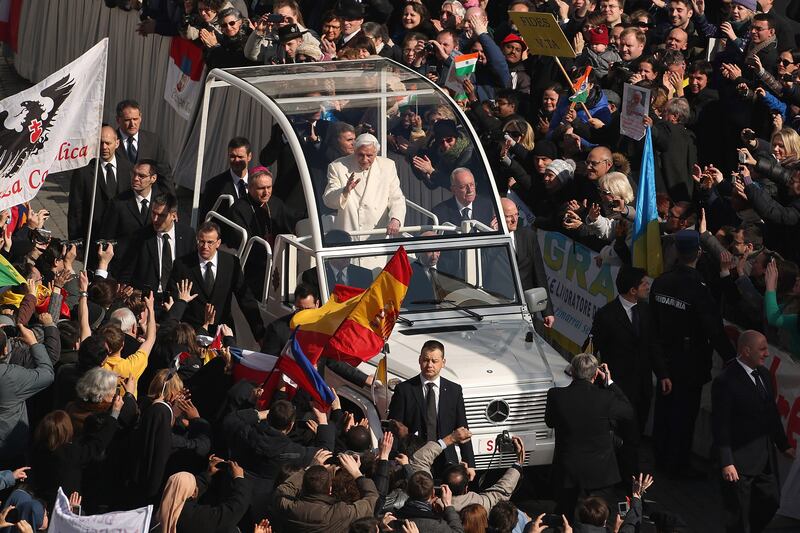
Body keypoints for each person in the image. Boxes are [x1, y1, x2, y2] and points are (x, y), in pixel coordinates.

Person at [649, 230, 736, 478]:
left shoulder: (661, 282)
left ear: (677, 252)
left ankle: (660, 457)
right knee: (684, 415)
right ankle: (677, 465)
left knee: (664, 410)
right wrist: (731, 358)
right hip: (690, 363)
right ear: (698, 253)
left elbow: (653, 326)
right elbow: (713, 328)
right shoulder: (698, 288)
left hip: (665, 358)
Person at [712, 330, 795, 533]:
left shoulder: (764, 375)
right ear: (746, 351)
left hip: (764, 460)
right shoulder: (726, 381)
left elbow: (771, 413)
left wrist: (783, 445)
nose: (767, 353)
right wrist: (727, 462)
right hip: (739, 463)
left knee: (770, 503)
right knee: (738, 517)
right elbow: (721, 424)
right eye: (762, 349)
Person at [588, 266, 666, 481]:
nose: (648, 286)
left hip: (642, 385)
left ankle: (628, 472)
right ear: (633, 290)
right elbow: (592, 347)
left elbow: (653, 345)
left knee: (636, 431)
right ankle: (624, 476)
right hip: (619, 386)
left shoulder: (646, 311)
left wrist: (663, 374)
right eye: (644, 283)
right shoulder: (607, 315)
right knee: (623, 433)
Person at [545, 352, 634, 517]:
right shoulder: (606, 397)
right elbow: (628, 412)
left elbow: (550, 422)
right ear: (595, 375)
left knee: (564, 517)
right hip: (600, 472)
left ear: (572, 372)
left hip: (568, 471)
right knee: (598, 517)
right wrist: (609, 382)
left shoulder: (556, 395)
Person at [223, 399, 335, 521]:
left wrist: (260, 414)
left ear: (268, 417)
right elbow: (325, 452)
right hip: (259, 503)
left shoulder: (246, 433)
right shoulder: (291, 452)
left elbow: (230, 419)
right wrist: (323, 420)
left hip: (229, 485)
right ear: (290, 425)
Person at [168, 222, 265, 341]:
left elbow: (245, 299)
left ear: (218, 243)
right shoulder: (182, 265)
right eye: (201, 241)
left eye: (210, 242)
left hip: (222, 332)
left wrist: (260, 334)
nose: (205, 246)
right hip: (192, 332)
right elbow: (173, 297)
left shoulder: (231, 263)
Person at [388, 340, 475, 469]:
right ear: (419, 360)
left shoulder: (454, 390)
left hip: (446, 459)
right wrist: (392, 460)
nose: (429, 365)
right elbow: (394, 427)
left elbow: (462, 428)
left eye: (434, 361)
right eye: (426, 360)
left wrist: (470, 463)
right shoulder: (404, 390)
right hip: (414, 458)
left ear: (443, 363)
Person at [228, 166, 303, 297]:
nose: (266, 192)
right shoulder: (238, 209)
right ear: (250, 188)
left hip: (278, 258)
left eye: (269, 187)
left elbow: (291, 220)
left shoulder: (275, 203)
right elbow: (242, 243)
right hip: (254, 265)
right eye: (261, 188)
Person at [411, 429, 523, 513]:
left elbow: (419, 460)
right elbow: (502, 490)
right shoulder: (480, 505)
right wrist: (519, 462)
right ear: (466, 488)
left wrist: (451, 438)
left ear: (442, 484)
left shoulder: (430, 503)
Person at [323, 133, 406, 242]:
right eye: (360, 155)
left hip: (377, 234)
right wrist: (344, 191)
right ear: (355, 151)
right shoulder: (337, 166)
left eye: (369, 155)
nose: (365, 159)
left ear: (376, 153)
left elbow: (396, 197)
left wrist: (395, 219)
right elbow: (328, 200)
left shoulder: (387, 166)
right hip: (350, 233)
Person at [274, 451, 379, 532]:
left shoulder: (288, 507)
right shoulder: (341, 514)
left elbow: (282, 490)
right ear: (330, 490)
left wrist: (309, 469)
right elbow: (372, 499)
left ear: (302, 486)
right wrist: (356, 473)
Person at [67, 124, 132, 251]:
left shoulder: (128, 169)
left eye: (108, 143)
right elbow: (75, 209)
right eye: (101, 143)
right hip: (93, 240)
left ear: (117, 143)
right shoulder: (83, 171)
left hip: (122, 241)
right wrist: (76, 243)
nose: (104, 147)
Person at [118, 192, 196, 296]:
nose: (155, 219)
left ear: (173, 216)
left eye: (161, 215)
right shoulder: (140, 237)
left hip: (178, 297)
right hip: (148, 298)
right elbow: (127, 272)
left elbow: (193, 269)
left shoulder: (187, 235)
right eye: (153, 213)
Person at [0, 325, 55, 465]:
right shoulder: (10, 376)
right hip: (9, 446)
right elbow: (47, 374)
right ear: (5, 350)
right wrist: (34, 343)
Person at [103, 159, 168, 271]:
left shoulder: (163, 202)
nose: (135, 178)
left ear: (153, 178)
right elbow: (107, 237)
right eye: (133, 174)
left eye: (141, 176)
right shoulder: (117, 203)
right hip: (124, 266)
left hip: (153, 266)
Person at [499, 198, 554, 326]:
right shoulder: (488, 239)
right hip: (499, 307)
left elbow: (539, 274)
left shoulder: (528, 236)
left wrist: (547, 311)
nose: (514, 220)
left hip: (525, 308)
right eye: (509, 216)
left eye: (516, 214)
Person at [157, 460, 252, 533]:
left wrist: (207, 474)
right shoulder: (193, 517)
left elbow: (184, 491)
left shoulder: (161, 512)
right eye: (192, 487)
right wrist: (239, 479)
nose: (195, 489)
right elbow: (230, 512)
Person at [114, 99, 173, 188]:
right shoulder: (108, 142)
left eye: (135, 119)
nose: (132, 124)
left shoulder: (153, 140)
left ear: (140, 117)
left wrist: (170, 195)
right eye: (127, 120)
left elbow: (164, 173)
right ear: (118, 120)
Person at [300, 230, 374, 296]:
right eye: (341, 251)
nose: (346, 255)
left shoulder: (365, 275)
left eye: (348, 250)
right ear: (329, 251)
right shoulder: (313, 276)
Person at [199, 137, 253, 224]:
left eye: (240, 157)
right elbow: (205, 219)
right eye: (232, 156)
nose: (236, 160)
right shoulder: (214, 185)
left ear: (249, 156)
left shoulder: (258, 182)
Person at [390, 471, 465, 532]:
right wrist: (448, 505)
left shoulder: (391, 521)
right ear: (433, 493)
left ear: (407, 491)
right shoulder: (438, 526)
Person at [432, 167, 496, 229]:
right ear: (453, 190)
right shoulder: (439, 213)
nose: (470, 190)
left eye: (472, 185)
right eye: (463, 187)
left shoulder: (488, 205)